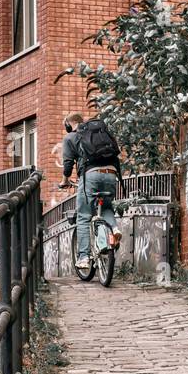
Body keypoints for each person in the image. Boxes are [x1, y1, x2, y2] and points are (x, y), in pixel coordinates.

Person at [60, 112, 123, 273]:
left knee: (83, 216)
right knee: (106, 207)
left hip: (91, 176)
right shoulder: (95, 134)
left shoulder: (70, 138)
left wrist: (65, 181)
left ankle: (83, 257)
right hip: (111, 173)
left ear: (69, 124)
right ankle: (114, 230)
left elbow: (67, 165)